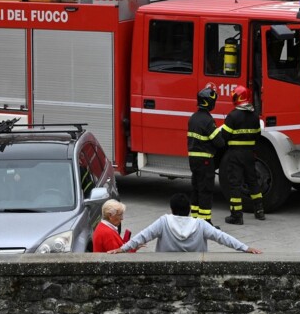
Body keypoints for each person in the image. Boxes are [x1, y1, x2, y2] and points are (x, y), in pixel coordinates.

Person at [109, 193, 261, 254]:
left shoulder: (163, 222)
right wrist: (245, 248)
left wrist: (122, 249)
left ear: (171, 209)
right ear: (189, 210)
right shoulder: (200, 224)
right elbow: (222, 237)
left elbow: (142, 236)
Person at [221, 85, 264, 225]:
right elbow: (258, 135)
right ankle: (259, 211)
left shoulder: (233, 115)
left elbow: (225, 136)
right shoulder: (254, 115)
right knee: (253, 181)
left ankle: (236, 216)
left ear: (238, 97)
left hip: (235, 154)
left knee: (235, 184)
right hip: (249, 154)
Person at [187, 83, 224, 224]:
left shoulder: (193, 118)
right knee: (206, 190)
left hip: (193, 160)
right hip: (206, 161)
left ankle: (195, 219)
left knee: (196, 189)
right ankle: (205, 222)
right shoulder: (208, 120)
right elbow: (219, 142)